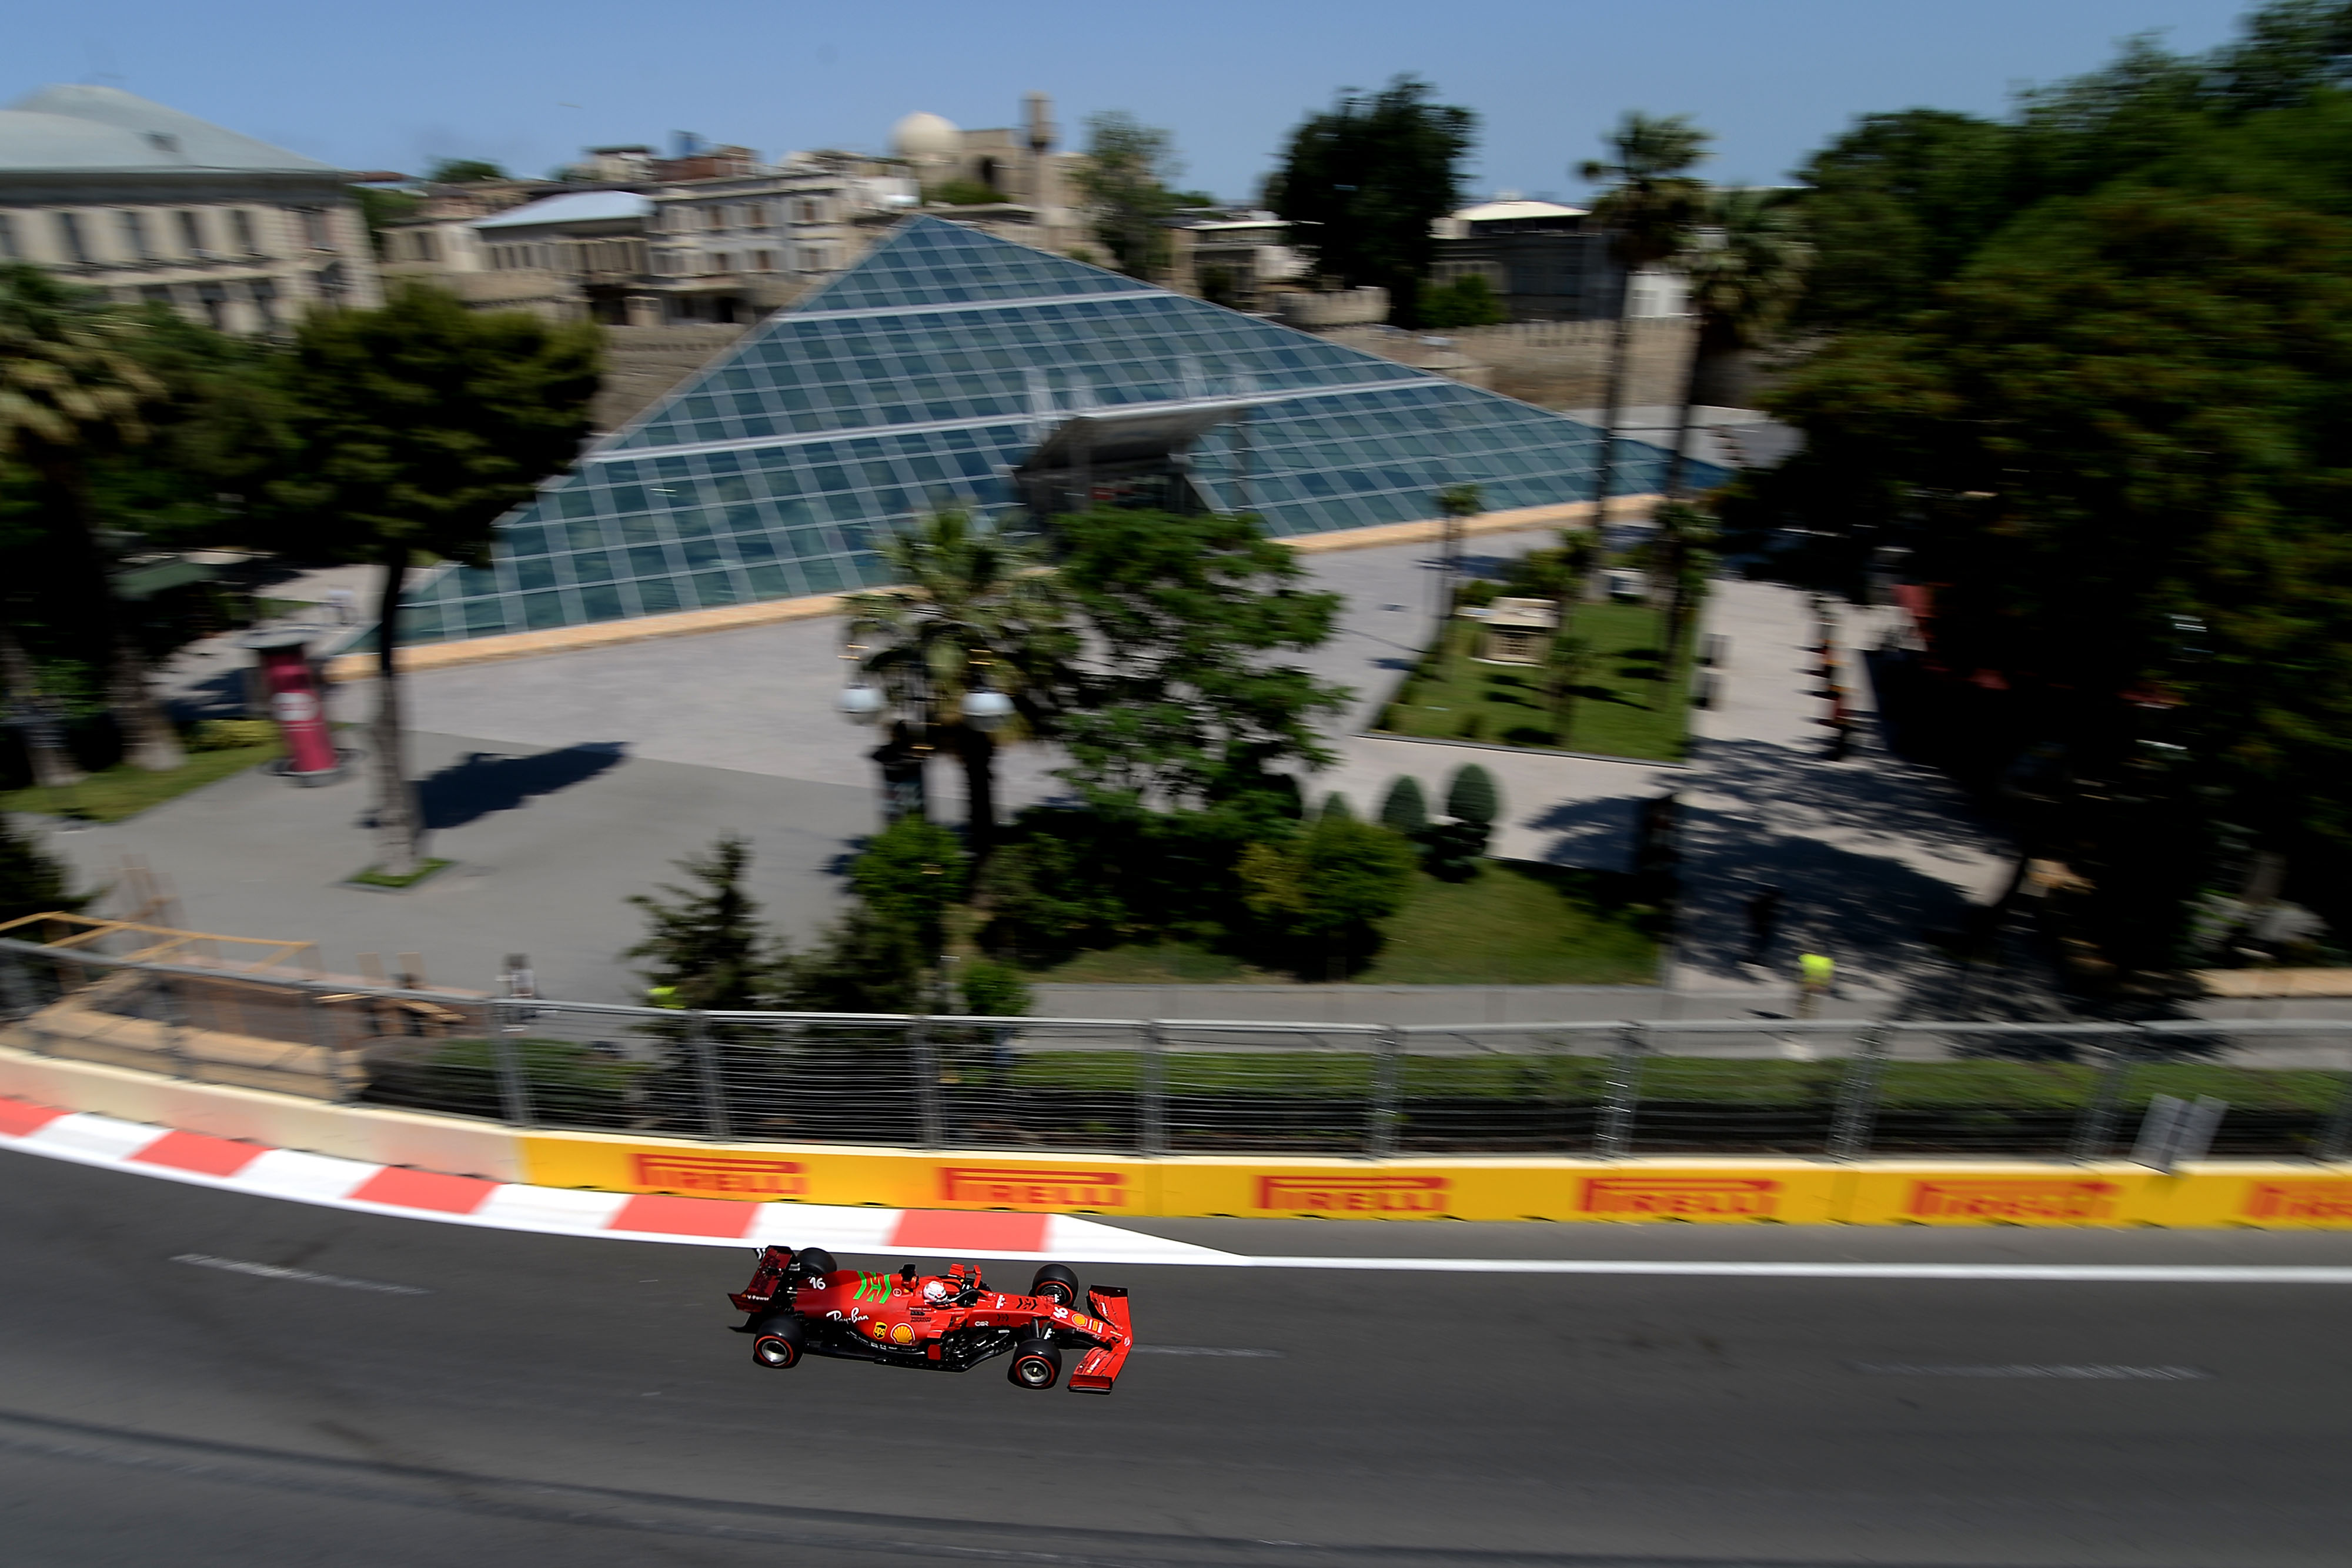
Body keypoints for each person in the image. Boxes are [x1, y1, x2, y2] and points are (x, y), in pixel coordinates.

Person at [1745, 887, 1783, 963]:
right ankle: (1753, 957)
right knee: (1760, 941)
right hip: (1761, 925)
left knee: (1759, 941)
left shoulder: (1764, 903)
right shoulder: (1764, 904)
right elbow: (1759, 913)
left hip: (1761, 925)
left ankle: (1754, 957)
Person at [1798, 950, 1835, 1018]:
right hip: (1820, 985)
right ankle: (1812, 1015)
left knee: (1804, 1000)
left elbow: (1800, 971)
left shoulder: (1807, 958)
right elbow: (1830, 975)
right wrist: (1827, 987)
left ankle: (1803, 1014)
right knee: (1814, 1002)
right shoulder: (1827, 961)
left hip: (1808, 984)